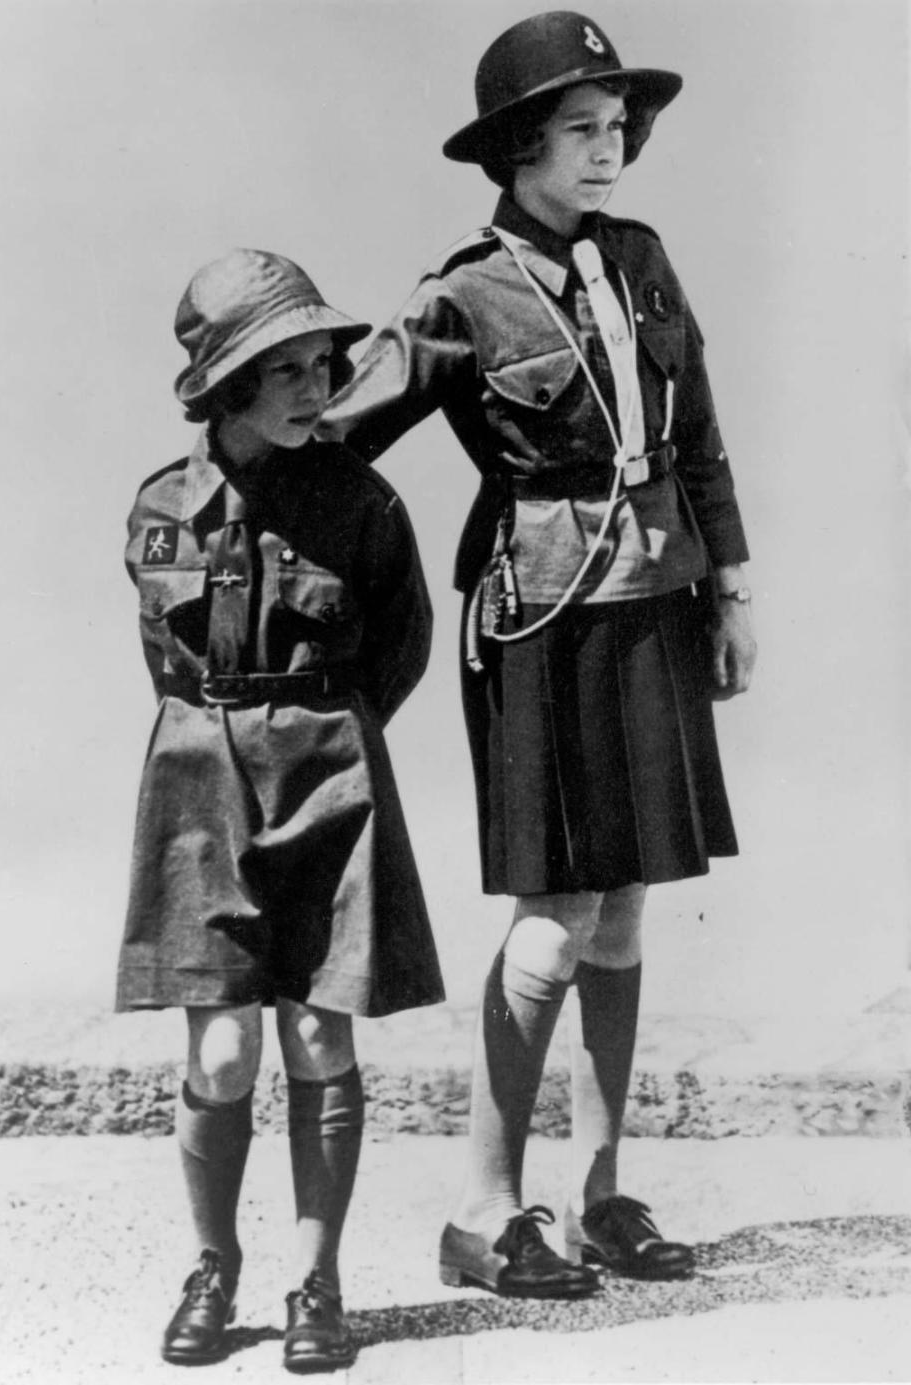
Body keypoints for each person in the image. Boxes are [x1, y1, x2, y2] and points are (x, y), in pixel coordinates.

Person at [321, 11, 756, 1299]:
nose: (610, 148)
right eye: (582, 129)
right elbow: (333, 432)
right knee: (556, 916)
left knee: (624, 904)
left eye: (619, 126)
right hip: (543, 618)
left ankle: (602, 1189)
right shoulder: (462, 289)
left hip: (659, 605)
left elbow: (703, 437)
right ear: (519, 147)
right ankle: (485, 1209)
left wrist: (732, 589)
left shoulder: (642, 258)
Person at [116, 248, 444, 1369]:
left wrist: (321, 734)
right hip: (200, 782)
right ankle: (214, 1263)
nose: (317, 384)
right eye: (287, 367)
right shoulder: (162, 505)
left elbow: (399, 648)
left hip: (331, 774)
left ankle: (317, 1276)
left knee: (314, 1030)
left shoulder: (362, 502)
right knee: (217, 1053)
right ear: (226, 380)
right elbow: (164, 655)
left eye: (323, 361)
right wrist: (229, 734)